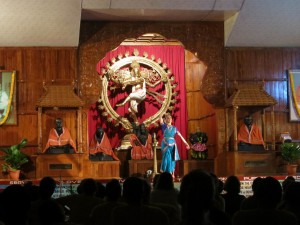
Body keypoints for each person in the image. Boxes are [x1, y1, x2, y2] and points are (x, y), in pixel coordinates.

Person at [159, 113, 190, 178]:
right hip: (165, 144)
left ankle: (171, 173)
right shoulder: (164, 126)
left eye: (170, 118)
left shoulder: (175, 128)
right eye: (167, 118)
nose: (169, 119)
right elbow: (160, 119)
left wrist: (186, 143)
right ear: (165, 120)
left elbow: (181, 136)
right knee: (167, 157)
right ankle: (166, 172)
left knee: (172, 159)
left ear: (172, 120)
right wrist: (162, 113)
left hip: (173, 145)